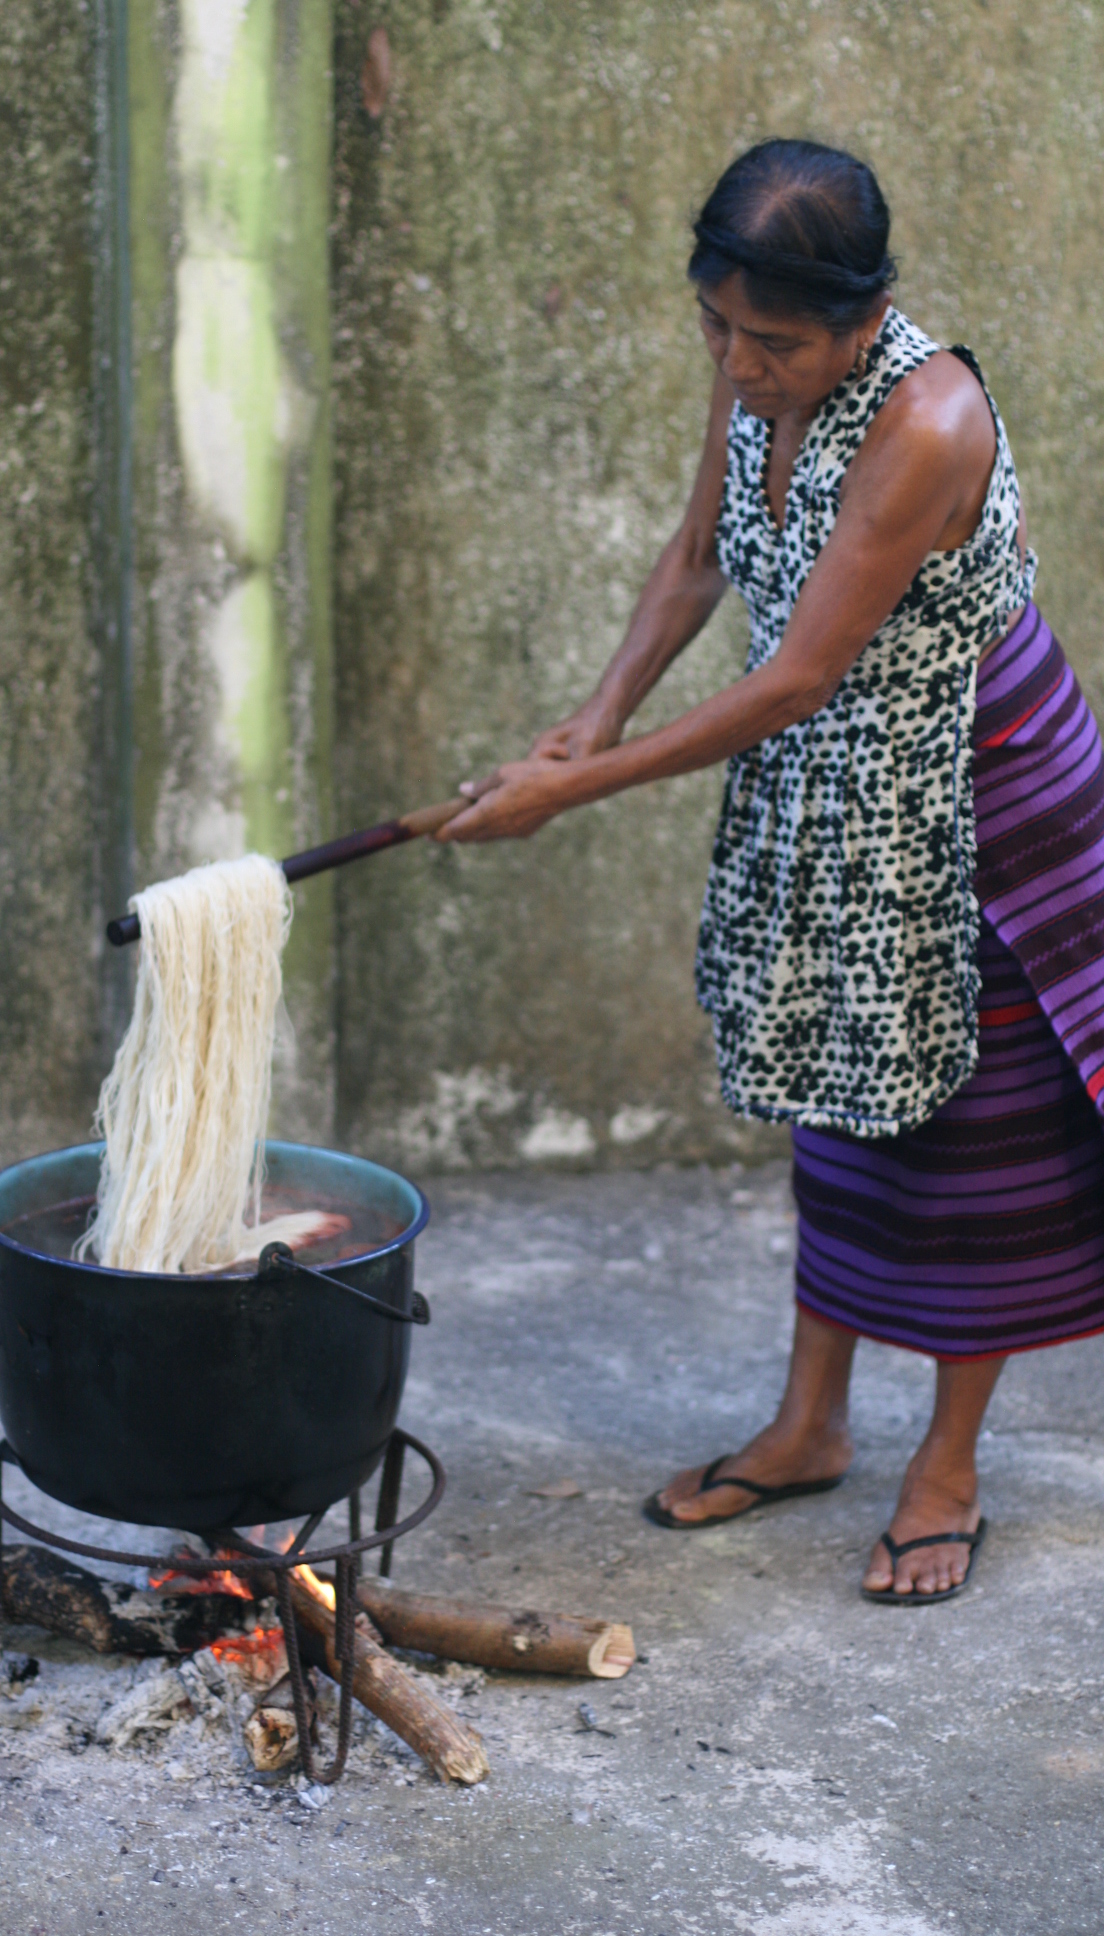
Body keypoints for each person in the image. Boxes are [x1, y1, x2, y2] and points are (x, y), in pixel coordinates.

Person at [437, 138, 1104, 1604]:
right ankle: (811, 1427)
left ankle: (948, 1467)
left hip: (972, 799)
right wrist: (595, 715)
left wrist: (568, 795)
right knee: (834, 1104)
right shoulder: (761, 365)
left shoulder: (927, 420)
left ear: (865, 319)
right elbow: (699, 552)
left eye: (777, 342)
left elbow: (801, 673)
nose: (740, 364)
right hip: (834, 792)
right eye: (717, 325)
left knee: (973, 1138)